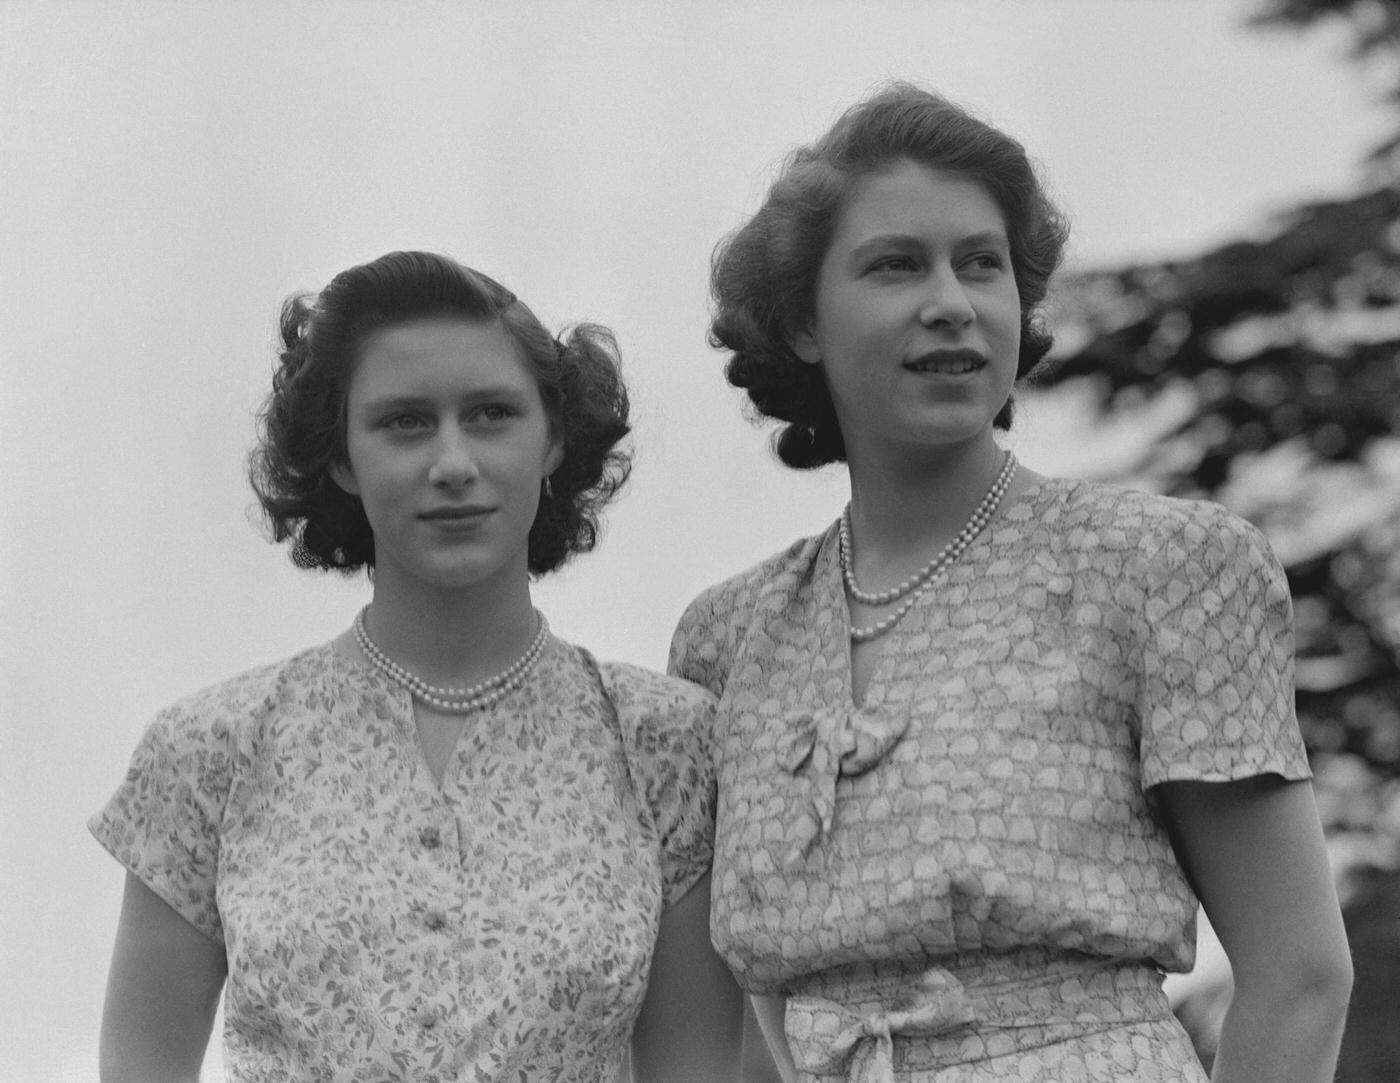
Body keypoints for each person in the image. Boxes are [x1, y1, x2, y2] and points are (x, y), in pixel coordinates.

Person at [669, 85, 1352, 1082]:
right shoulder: (726, 638)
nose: (949, 300)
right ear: (802, 323)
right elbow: (745, 1016)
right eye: (895, 265)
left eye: (979, 264)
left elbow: (1297, 976)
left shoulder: (1158, 567)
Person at [91, 250, 742, 1083]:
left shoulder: (664, 744)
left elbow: (694, 1072)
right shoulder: (207, 750)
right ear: (339, 458)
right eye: (404, 421)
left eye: (492, 414)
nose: (453, 463)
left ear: (552, 441)